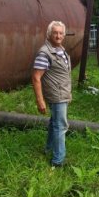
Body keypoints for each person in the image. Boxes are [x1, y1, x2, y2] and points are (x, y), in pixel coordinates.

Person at [32, 21, 71, 167]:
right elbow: (36, 77)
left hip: (62, 93)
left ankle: (48, 149)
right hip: (56, 95)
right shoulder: (45, 53)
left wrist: (69, 94)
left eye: (61, 33)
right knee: (61, 126)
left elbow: (64, 74)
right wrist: (40, 101)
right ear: (49, 34)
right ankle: (58, 161)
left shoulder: (61, 50)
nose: (58, 36)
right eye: (55, 33)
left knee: (54, 122)